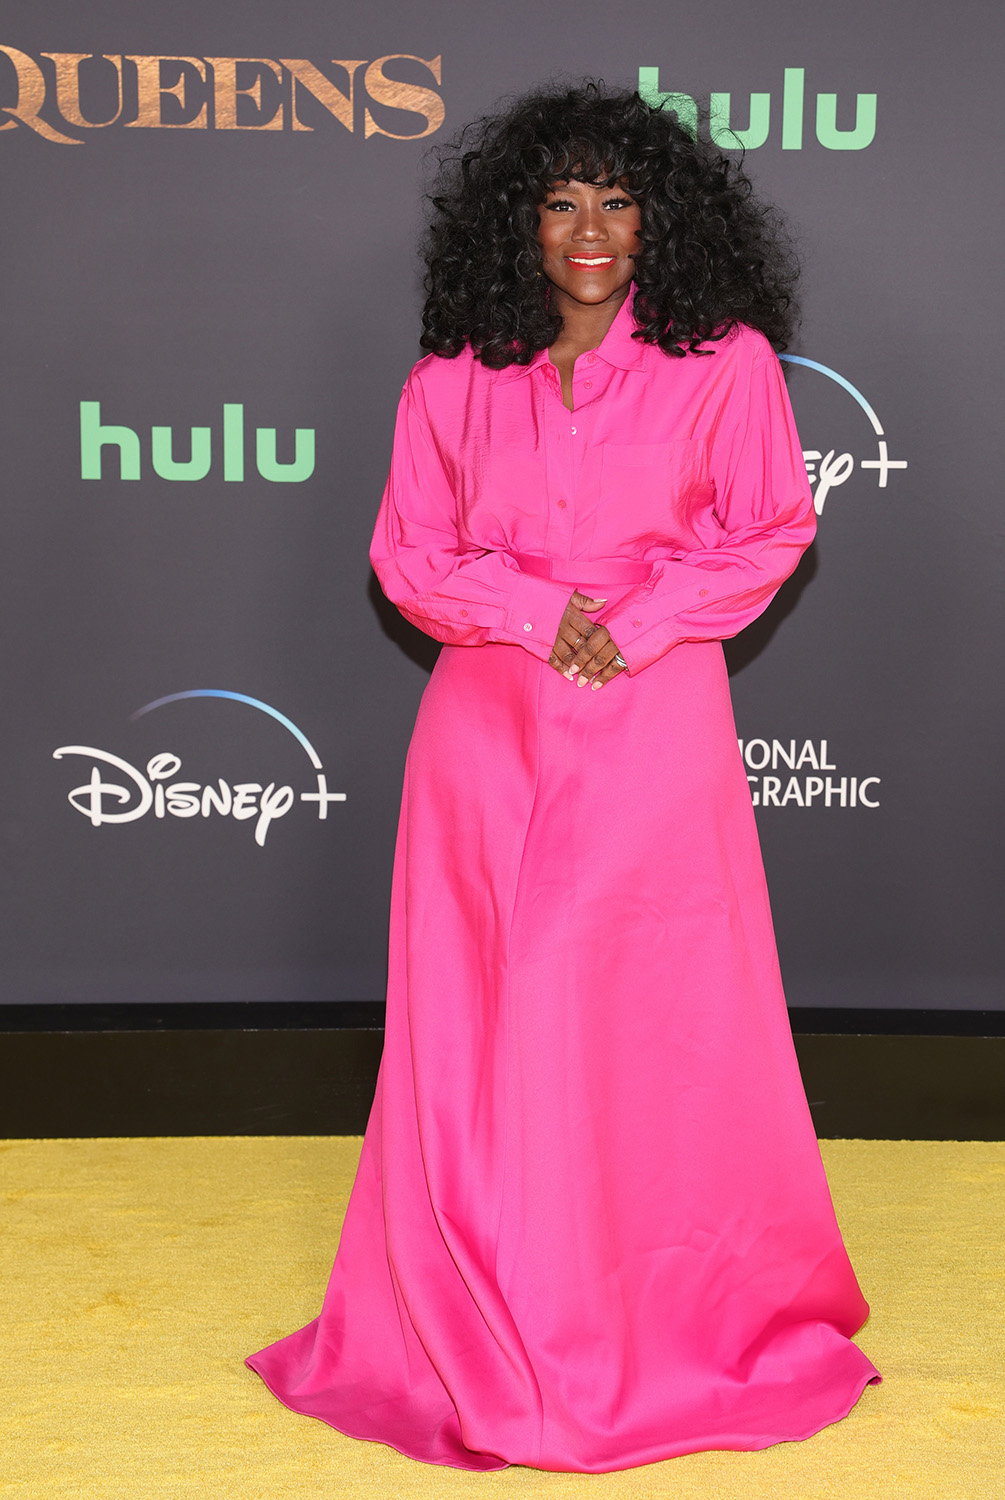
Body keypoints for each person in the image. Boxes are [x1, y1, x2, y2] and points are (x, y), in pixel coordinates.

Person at [247, 81, 880, 1472]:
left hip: (653, 721)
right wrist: (540, 617)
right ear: (513, 223)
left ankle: (654, 1313)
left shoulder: (727, 366)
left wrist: (634, 624)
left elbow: (770, 528)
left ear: (659, 217)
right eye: (557, 200)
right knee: (485, 1022)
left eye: (614, 197)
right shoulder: (450, 380)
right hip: (485, 726)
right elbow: (409, 556)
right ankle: (483, 1307)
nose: (587, 228)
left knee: (650, 1017)